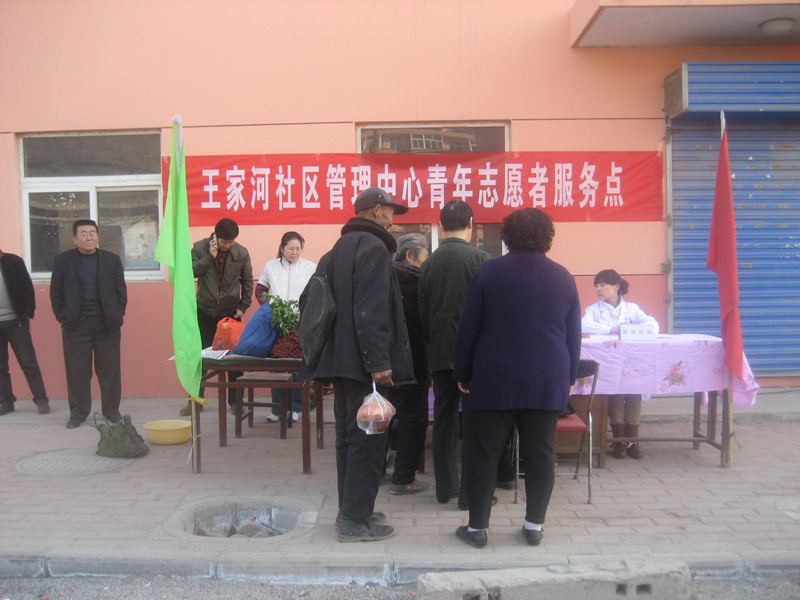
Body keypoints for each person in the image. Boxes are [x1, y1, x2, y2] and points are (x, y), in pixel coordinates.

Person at [452, 207, 581, 548]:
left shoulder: (488, 272)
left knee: (484, 454)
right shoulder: (563, 277)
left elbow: (468, 328)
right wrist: (568, 377)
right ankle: (534, 526)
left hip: (494, 378)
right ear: (547, 236)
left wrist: (462, 372)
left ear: (506, 235)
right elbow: (573, 335)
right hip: (546, 379)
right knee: (541, 454)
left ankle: (477, 529)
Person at [304, 186, 413, 543]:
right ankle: (354, 519)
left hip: (343, 363)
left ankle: (352, 508)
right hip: (366, 366)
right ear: (377, 210)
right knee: (369, 442)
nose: (393, 218)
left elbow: (312, 302)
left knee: (350, 439)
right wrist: (378, 362)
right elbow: (371, 309)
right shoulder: (373, 248)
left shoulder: (336, 250)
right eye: (391, 211)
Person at [418, 200, 510, 509]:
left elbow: (422, 313)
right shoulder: (482, 260)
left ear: (441, 226)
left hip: (440, 351)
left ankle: (445, 487)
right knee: (475, 422)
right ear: (471, 224)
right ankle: (472, 492)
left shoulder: (428, 263)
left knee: (444, 419)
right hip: (475, 355)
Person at [50, 220, 127, 429]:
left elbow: (121, 292)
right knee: (77, 372)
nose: (89, 237)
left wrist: (117, 315)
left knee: (110, 372)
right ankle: (78, 413)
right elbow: (56, 293)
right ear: (75, 238)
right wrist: (63, 317)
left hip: (106, 325)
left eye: (92, 233)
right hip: (76, 326)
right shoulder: (63, 261)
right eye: (83, 234)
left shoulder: (111, 260)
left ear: (98, 237)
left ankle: (111, 411)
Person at [581, 269, 660, 460]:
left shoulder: (632, 309)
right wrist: (612, 329)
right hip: (609, 363)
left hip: (631, 363)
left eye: (603, 285)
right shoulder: (593, 310)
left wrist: (633, 329)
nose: (598, 289)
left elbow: (653, 325)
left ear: (616, 287)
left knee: (634, 392)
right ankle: (618, 440)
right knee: (615, 394)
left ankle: (632, 440)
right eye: (596, 285)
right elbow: (582, 325)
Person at [179, 218, 253, 416]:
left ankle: (236, 401)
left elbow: (247, 280)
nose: (228, 246)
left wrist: (243, 305)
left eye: (231, 242)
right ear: (215, 237)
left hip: (230, 313)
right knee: (199, 358)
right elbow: (189, 272)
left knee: (234, 360)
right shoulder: (200, 248)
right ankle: (195, 400)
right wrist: (209, 258)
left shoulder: (241, 252)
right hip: (205, 310)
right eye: (224, 242)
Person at [255, 231, 316, 423]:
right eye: (291, 249)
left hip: (299, 323)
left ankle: (296, 407)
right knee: (277, 365)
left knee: (296, 366)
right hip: (277, 323)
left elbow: (317, 292)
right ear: (282, 248)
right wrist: (269, 308)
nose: (294, 252)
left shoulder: (310, 267)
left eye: (298, 249)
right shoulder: (271, 266)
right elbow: (260, 289)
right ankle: (277, 409)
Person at [387, 233, 430, 495]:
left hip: (385, 364)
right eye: (425, 256)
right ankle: (404, 478)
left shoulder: (384, 280)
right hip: (415, 364)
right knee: (413, 420)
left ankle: (379, 470)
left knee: (385, 416)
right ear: (409, 255)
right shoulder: (418, 285)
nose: (427, 262)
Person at [0, 250, 50, 416]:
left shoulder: (13, 262)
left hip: (16, 322)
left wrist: (28, 313)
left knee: (28, 362)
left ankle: (41, 400)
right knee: (0, 367)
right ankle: (6, 402)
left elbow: (27, 287)